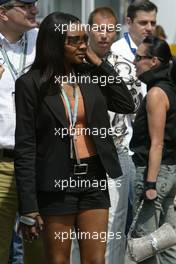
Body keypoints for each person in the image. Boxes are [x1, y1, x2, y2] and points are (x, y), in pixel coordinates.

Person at [14, 12, 135, 264]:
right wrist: (28, 205)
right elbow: (25, 146)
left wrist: (99, 63)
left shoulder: (90, 76)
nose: (83, 45)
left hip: (93, 178)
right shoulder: (31, 84)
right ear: (54, 44)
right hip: (56, 182)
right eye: (74, 40)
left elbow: (125, 103)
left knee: (95, 260)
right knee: (58, 260)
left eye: (84, 39)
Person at [70, 7, 140, 264]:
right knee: (78, 228)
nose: (104, 35)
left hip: (115, 153)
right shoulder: (73, 63)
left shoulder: (123, 65)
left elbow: (133, 104)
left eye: (110, 29)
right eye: (99, 28)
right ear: (89, 30)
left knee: (113, 226)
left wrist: (103, 68)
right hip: (79, 154)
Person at [111, 0, 157, 240]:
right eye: (143, 22)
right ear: (128, 22)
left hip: (153, 147)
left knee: (147, 219)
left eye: (153, 22)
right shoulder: (115, 53)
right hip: (124, 147)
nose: (149, 27)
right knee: (124, 216)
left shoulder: (157, 52)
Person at [129, 36, 176, 264]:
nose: (134, 61)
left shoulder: (156, 94)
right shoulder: (171, 88)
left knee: (145, 245)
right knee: (167, 242)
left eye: (139, 57)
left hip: (154, 173)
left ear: (154, 61)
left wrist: (149, 184)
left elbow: (157, 143)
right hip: (170, 173)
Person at [0, 0, 39, 263]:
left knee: (41, 253)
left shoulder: (44, 40)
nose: (34, 10)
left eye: (34, 3)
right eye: (25, 5)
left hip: (39, 163)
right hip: (1, 164)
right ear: (3, 12)